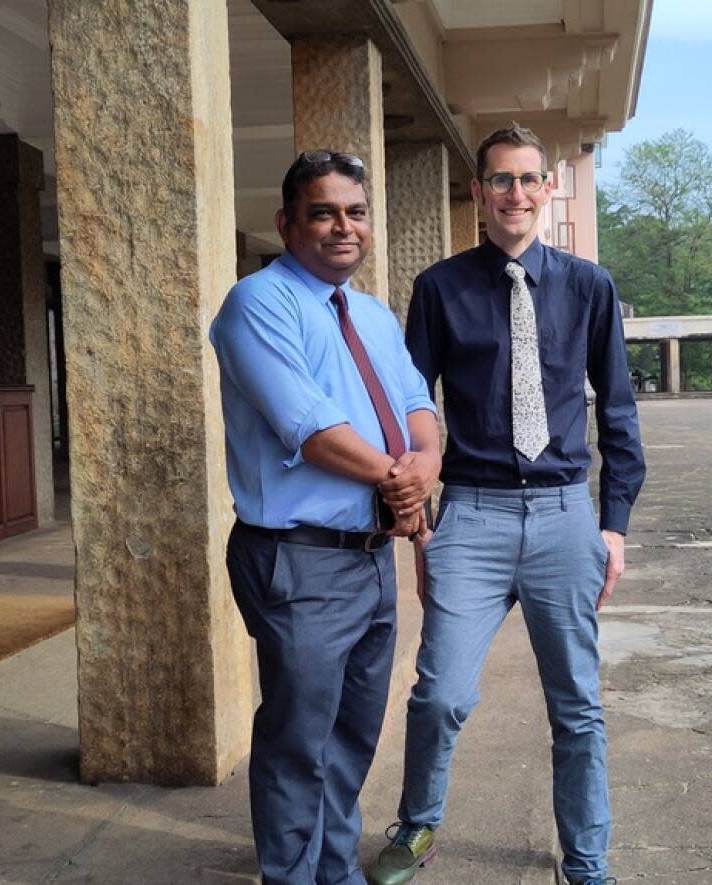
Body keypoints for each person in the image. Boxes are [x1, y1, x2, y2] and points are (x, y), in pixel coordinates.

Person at [366, 124, 645, 885]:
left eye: (528, 180)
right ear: (478, 192)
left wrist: (612, 528)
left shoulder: (590, 287)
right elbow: (406, 410)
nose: (514, 194)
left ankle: (586, 860)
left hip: (563, 516)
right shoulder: (439, 288)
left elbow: (617, 414)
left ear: (548, 189)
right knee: (440, 695)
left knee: (578, 706)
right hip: (473, 517)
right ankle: (419, 824)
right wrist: (418, 523)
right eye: (500, 181)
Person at [210, 150, 441, 884]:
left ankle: (334, 870)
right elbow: (308, 426)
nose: (344, 226)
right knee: (298, 740)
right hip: (299, 557)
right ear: (287, 223)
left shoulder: (371, 313)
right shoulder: (258, 304)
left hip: (371, 557)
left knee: (351, 737)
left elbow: (417, 408)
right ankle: (292, 876)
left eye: (356, 211)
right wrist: (398, 479)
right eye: (324, 211)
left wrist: (423, 465)